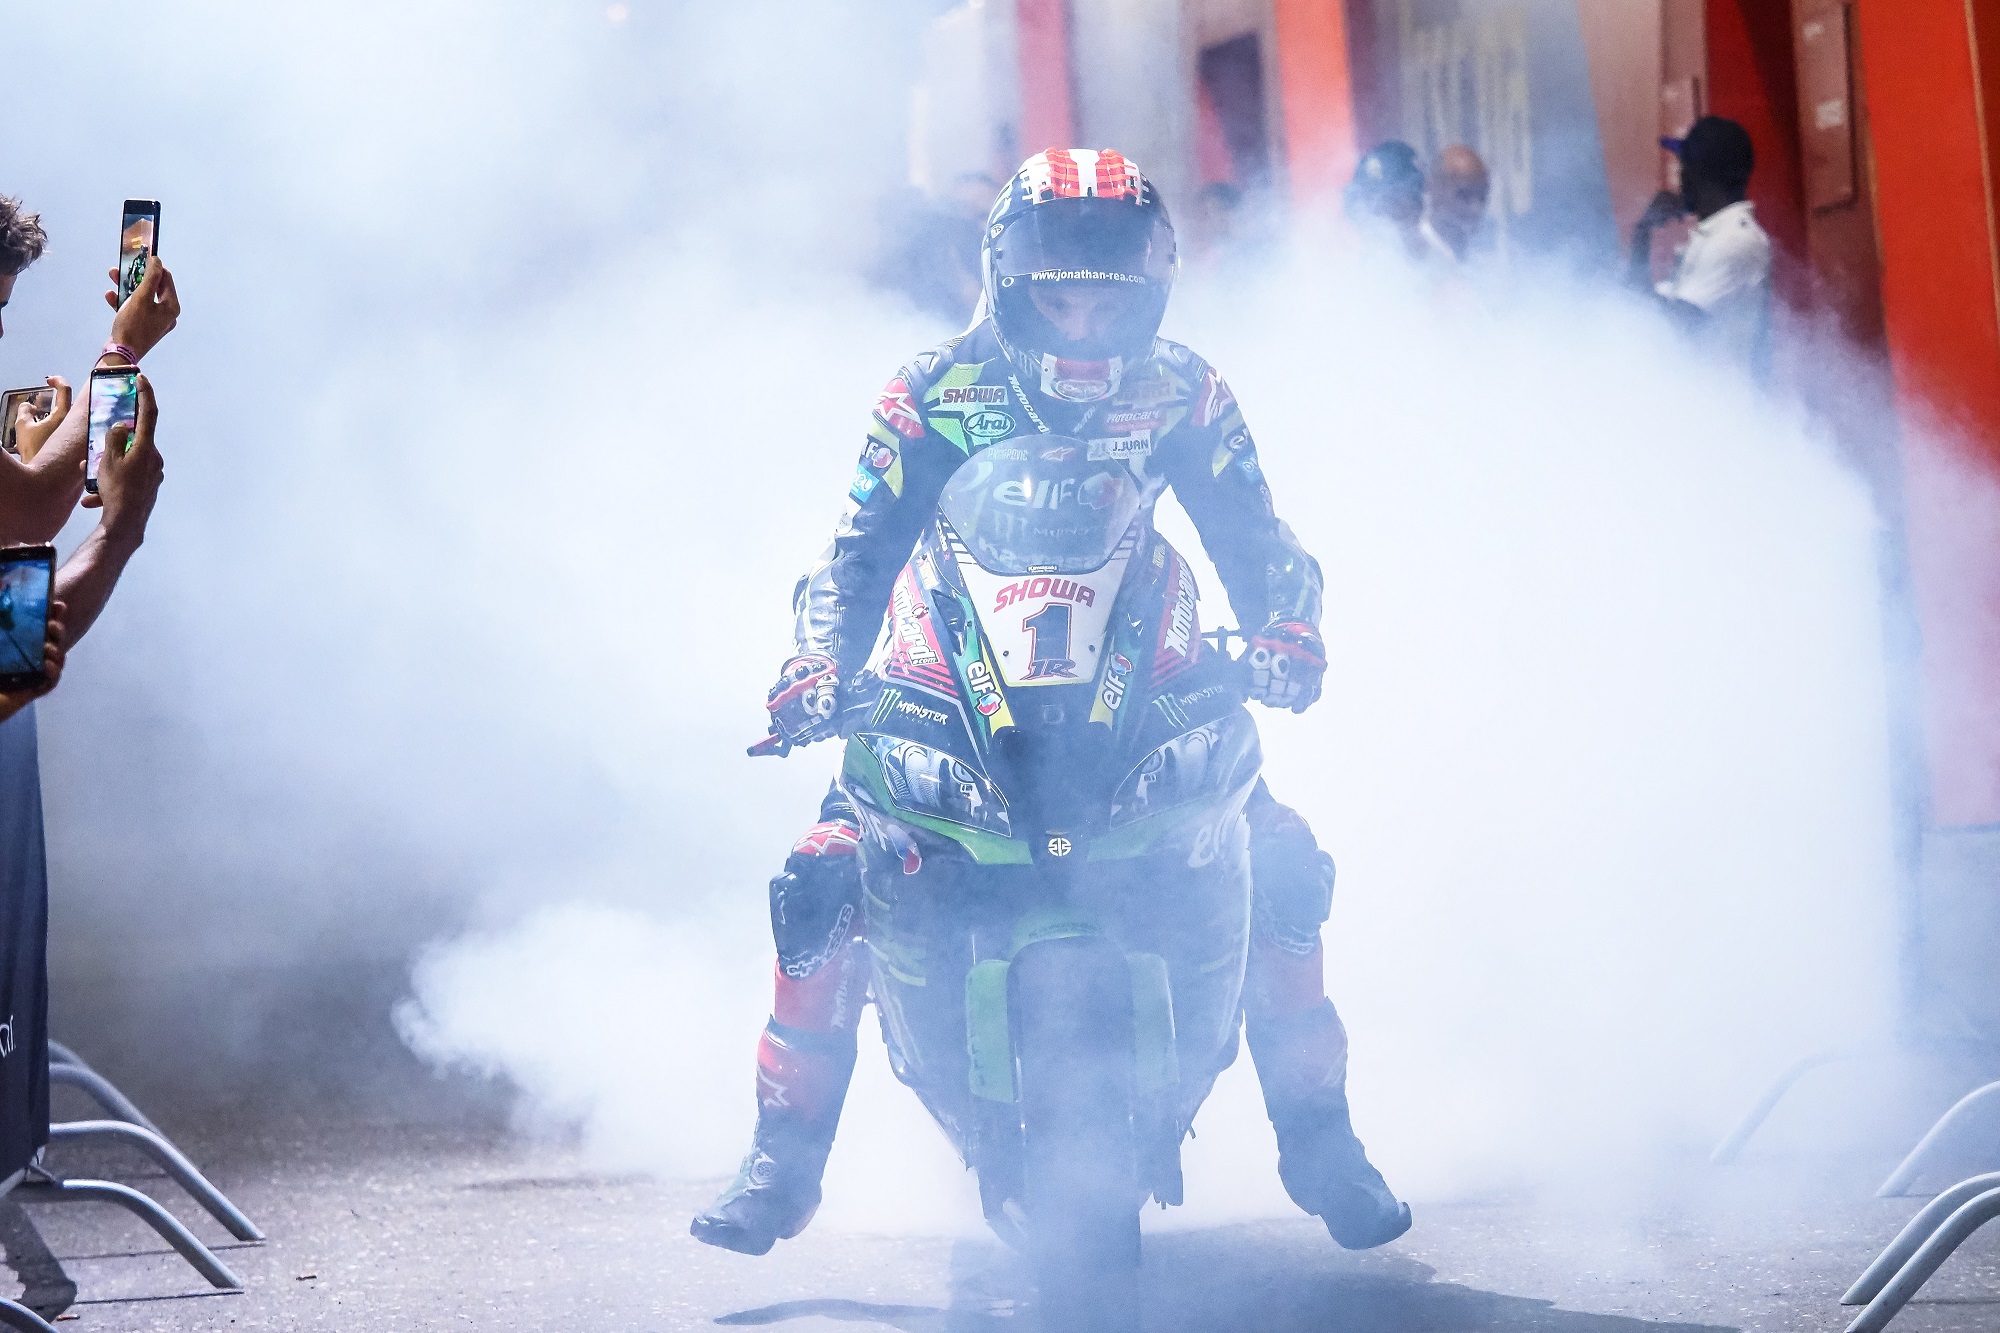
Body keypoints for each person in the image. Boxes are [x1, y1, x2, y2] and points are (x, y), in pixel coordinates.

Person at [692, 148, 1410, 1259]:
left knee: (1279, 859)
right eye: (1058, 300)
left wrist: (1286, 631)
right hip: (952, 669)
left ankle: (1322, 1138)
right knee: (822, 875)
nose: (1083, 327)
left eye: (1107, 303)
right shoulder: (930, 389)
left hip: (1140, 668)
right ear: (1007, 286)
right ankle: (780, 1162)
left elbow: (1257, 541)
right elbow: (854, 557)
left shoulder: (1185, 389)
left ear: (1152, 293)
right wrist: (814, 668)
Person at [1627, 115, 1772, 375]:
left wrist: (1642, 236)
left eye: (1682, 165)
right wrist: (1642, 233)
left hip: (1722, 397)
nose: (1679, 176)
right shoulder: (1714, 236)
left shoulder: (1735, 240)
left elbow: (1677, 325)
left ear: (1699, 173)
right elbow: (1636, 301)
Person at [1343, 141, 1428, 262]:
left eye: (1391, 200)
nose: (1379, 211)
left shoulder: (1438, 264)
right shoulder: (1338, 262)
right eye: (1370, 200)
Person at [1422, 144, 1490, 265]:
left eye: (1481, 196)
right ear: (1436, 188)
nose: (1475, 207)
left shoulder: (1482, 260)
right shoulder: (1412, 254)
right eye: (1465, 194)